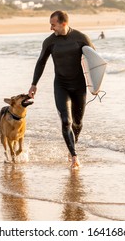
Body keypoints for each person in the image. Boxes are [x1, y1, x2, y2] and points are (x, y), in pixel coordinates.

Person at [28, 10, 95, 169]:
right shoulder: (50, 42)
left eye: (53, 25)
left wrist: (95, 84)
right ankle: (74, 155)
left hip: (79, 86)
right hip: (61, 85)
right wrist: (34, 84)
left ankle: (72, 145)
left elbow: (94, 60)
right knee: (66, 121)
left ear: (63, 23)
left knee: (77, 123)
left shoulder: (81, 38)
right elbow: (41, 62)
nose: (51, 28)